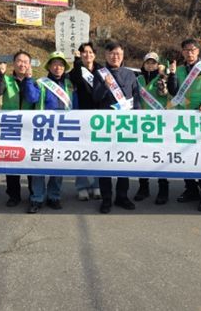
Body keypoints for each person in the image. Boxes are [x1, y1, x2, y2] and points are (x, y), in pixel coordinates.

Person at [167, 38, 201, 212]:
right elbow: (173, 92)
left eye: (193, 49)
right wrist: (172, 75)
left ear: (198, 51)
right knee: (184, 156)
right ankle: (191, 189)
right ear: (182, 52)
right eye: (186, 50)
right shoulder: (179, 69)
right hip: (183, 120)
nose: (189, 53)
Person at [92, 40, 141, 213]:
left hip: (126, 124)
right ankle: (106, 198)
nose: (115, 57)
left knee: (124, 161)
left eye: (118, 54)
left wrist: (138, 118)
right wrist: (105, 86)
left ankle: (122, 196)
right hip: (106, 125)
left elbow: (136, 97)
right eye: (112, 53)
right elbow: (95, 97)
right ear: (106, 55)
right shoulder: (100, 74)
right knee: (105, 162)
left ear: (123, 55)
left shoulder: (130, 74)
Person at [28, 51, 78, 213]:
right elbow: (32, 98)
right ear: (49, 66)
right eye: (55, 64)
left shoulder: (69, 85)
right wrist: (28, 80)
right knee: (39, 164)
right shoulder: (41, 83)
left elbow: (76, 106)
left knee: (58, 164)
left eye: (61, 65)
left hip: (63, 130)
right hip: (42, 130)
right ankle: (37, 198)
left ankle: (54, 196)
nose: (58, 67)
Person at [0, 50, 40, 207]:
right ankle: (13, 195)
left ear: (30, 65)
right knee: (11, 162)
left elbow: (32, 98)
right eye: (19, 61)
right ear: (14, 63)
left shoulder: (35, 82)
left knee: (31, 161)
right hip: (10, 127)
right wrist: (0, 74)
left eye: (25, 62)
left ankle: (34, 193)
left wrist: (28, 79)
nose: (22, 64)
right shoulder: (6, 79)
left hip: (29, 128)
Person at [134, 52, 171, 204]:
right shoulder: (138, 79)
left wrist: (163, 82)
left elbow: (166, 94)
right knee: (142, 156)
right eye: (148, 62)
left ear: (158, 64)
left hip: (159, 122)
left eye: (153, 63)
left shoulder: (162, 78)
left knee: (160, 156)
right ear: (143, 64)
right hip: (141, 123)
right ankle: (143, 188)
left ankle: (163, 189)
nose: (150, 65)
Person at [68, 42, 102, 201]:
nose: (87, 55)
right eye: (84, 52)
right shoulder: (76, 70)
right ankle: (82, 186)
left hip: (99, 117)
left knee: (97, 153)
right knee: (81, 153)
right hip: (81, 117)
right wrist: (77, 63)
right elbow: (73, 78)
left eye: (90, 52)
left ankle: (97, 185)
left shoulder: (101, 70)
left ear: (94, 54)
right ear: (80, 55)